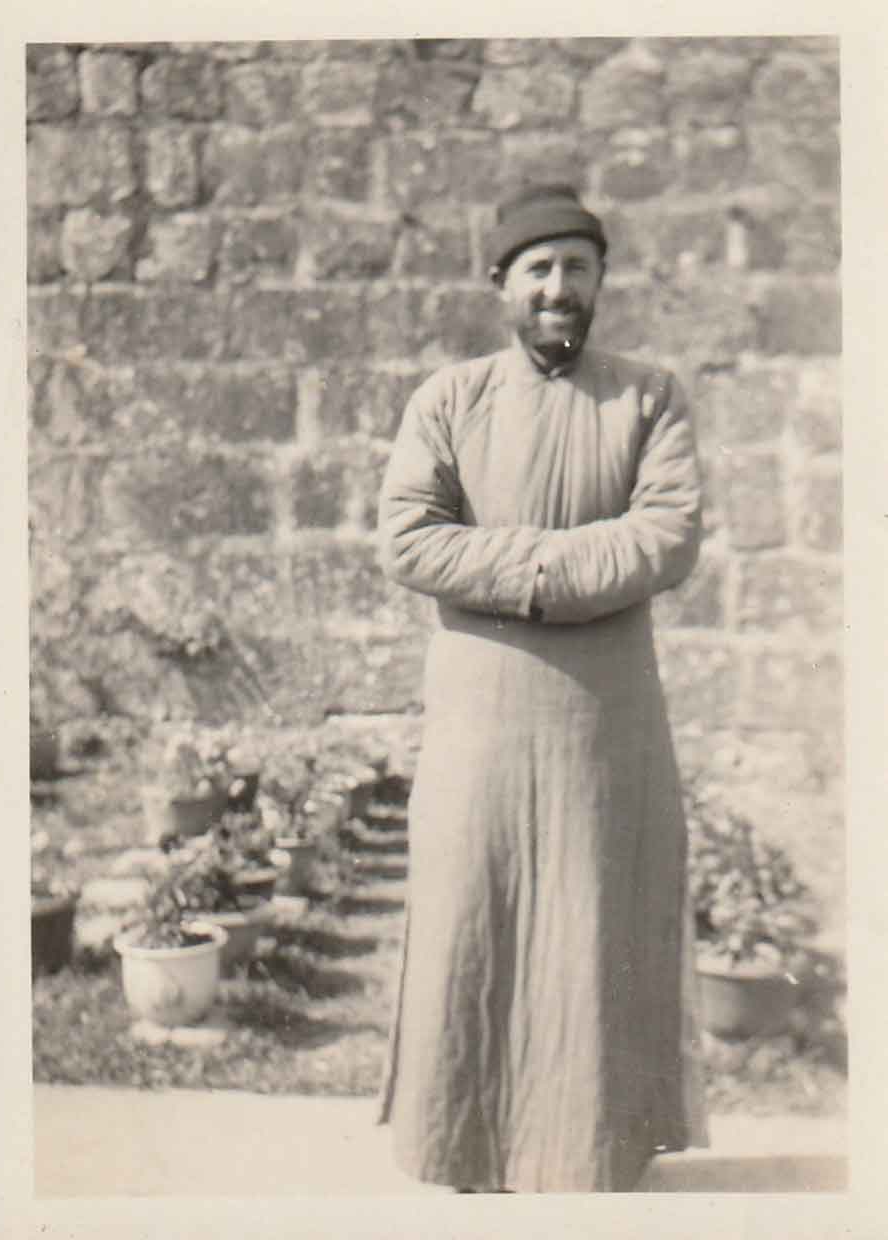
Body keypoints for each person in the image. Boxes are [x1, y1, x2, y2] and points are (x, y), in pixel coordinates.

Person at [376, 183, 709, 1193]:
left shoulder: (650, 398)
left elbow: (665, 537)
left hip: (604, 724)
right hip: (481, 722)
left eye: (577, 268)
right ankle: (461, 1142)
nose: (559, 289)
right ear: (500, 286)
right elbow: (409, 537)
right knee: (474, 911)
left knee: (596, 919)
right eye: (538, 270)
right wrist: (556, 568)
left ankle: (594, 1147)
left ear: (601, 279)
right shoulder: (448, 399)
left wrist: (510, 569)